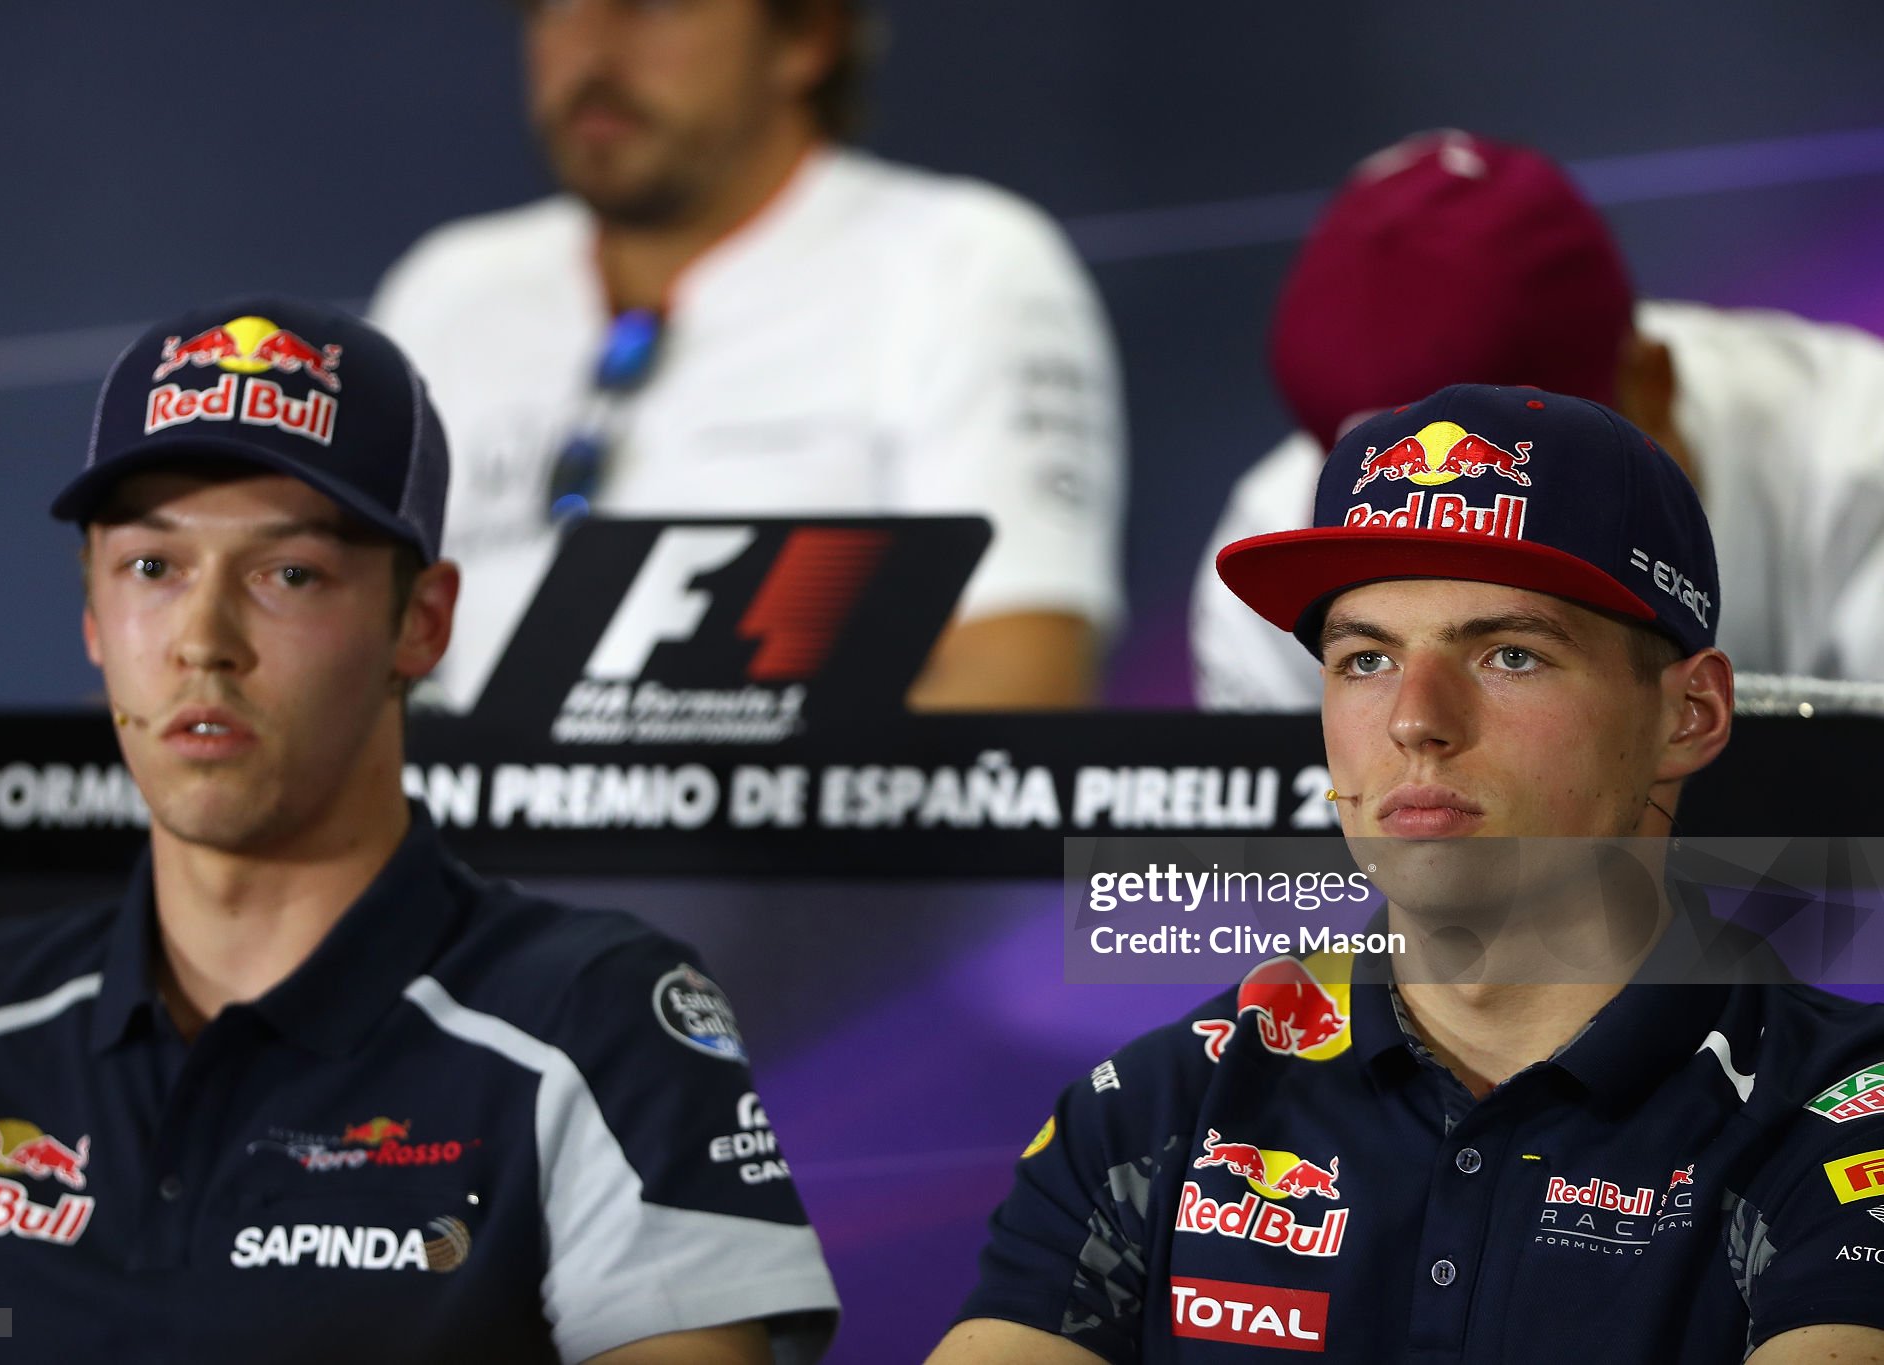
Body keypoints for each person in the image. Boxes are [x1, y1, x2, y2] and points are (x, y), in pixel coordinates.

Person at [0, 298, 839, 1364]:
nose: (201, 643)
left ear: (421, 623)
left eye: (288, 574)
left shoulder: (591, 1021)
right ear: (90, 613)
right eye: (150, 568)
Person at [929, 383, 1884, 1362]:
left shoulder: (1846, 1118)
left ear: (1686, 715)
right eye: (1363, 660)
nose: (1413, 719)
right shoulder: (1156, 1106)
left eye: (1509, 656)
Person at [369, 0, 1124, 713]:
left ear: (806, 37)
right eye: (557, 2)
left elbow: (1020, 680)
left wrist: (682, 812)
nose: (590, 50)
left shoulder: (962, 264)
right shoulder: (445, 292)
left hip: (814, 850)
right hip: (450, 848)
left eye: (657, 3)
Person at [1192, 129, 1884, 711]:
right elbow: (1296, 869)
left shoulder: (1860, 460)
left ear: (1653, 386)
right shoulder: (1277, 553)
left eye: (1535, 513)